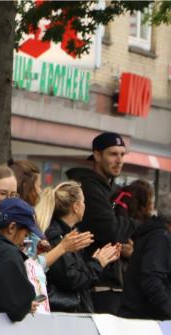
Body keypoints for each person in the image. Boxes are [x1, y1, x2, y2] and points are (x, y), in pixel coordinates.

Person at [118, 192, 171, 330]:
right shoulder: (161, 238)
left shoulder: (158, 235)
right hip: (145, 324)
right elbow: (151, 279)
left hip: (146, 321)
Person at [66, 132, 130, 314]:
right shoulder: (89, 188)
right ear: (97, 155)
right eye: (113, 154)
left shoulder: (109, 190)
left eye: (122, 154)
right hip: (95, 286)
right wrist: (133, 224)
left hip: (106, 283)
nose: (119, 160)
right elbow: (111, 230)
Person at [36, 181, 121, 313]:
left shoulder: (68, 234)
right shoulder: (55, 236)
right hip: (64, 316)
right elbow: (72, 280)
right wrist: (98, 263)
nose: (85, 206)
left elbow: (79, 274)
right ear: (76, 207)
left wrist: (101, 260)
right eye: (84, 202)